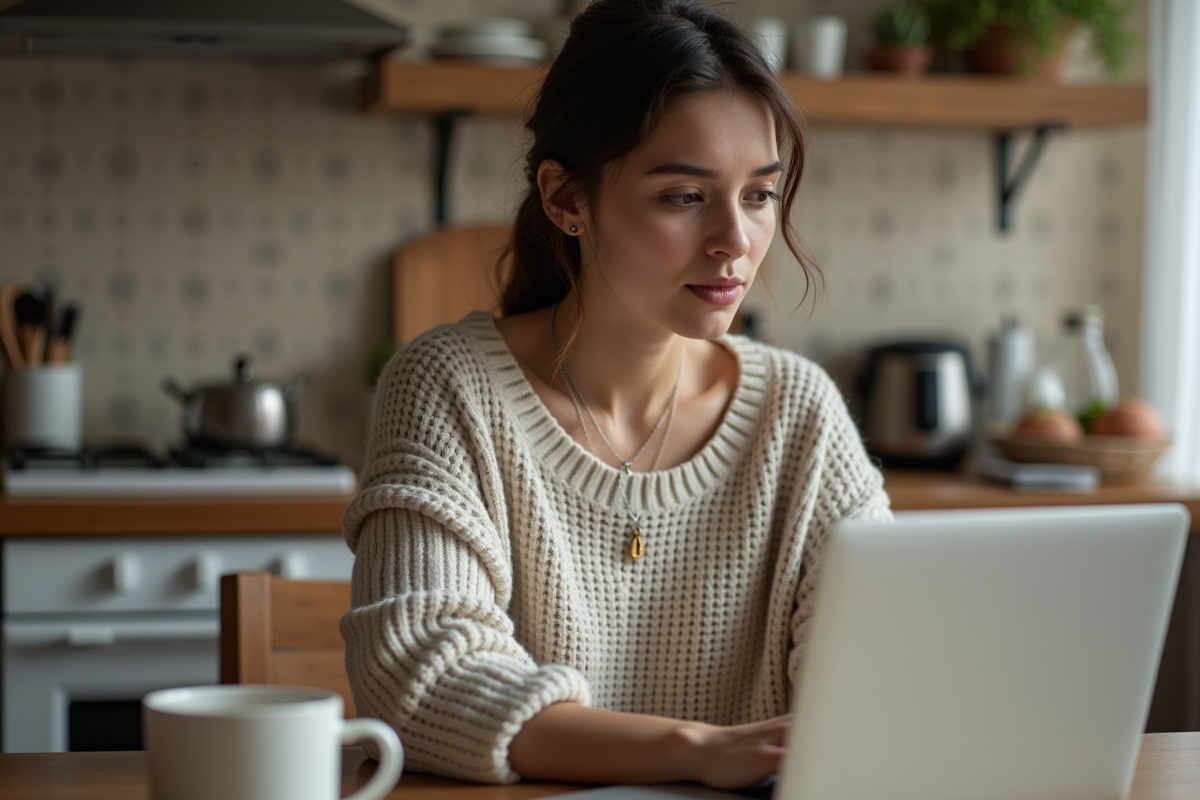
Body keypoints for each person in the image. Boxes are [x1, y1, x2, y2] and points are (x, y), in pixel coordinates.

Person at [340, 0, 891, 788]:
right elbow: (420, 679)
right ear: (565, 199)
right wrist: (697, 752)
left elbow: (881, 664)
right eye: (682, 195)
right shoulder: (448, 386)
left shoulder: (799, 410)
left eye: (760, 195)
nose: (736, 242)